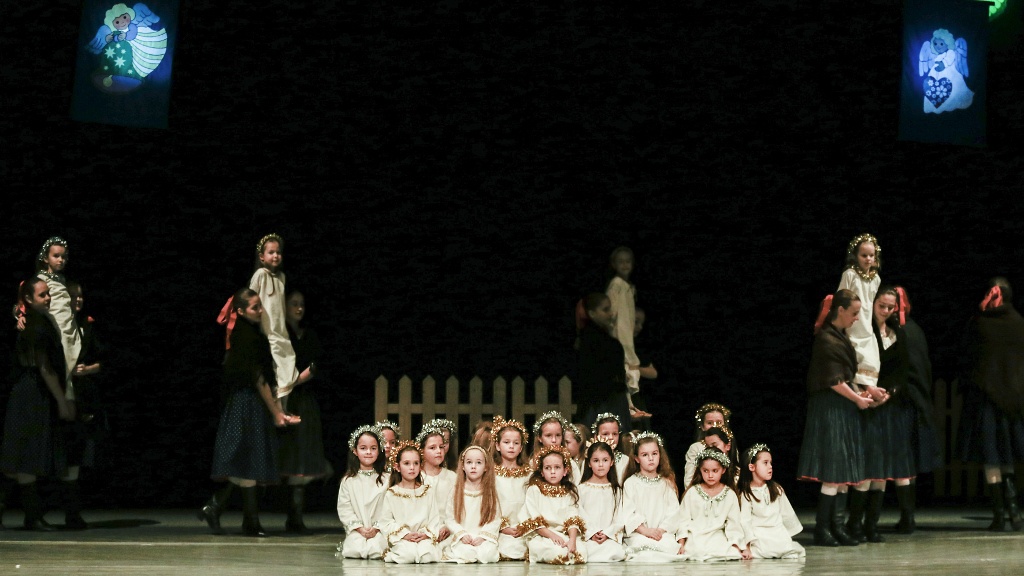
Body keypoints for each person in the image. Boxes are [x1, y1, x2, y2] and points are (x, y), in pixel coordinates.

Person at [203, 289, 297, 537]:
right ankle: (243, 518)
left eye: (260, 305)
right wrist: (276, 412)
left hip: (249, 403)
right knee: (246, 460)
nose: (260, 310)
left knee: (248, 460)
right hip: (246, 403)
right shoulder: (246, 336)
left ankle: (235, 514)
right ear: (241, 311)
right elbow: (258, 378)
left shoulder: (248, 333)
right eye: (255, 307)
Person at [796, 289, 877, 547]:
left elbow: (846, 377)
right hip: (830, 407)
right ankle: (823, 528)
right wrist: (857, 399)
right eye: (854, 313)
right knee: (833, 469)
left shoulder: (840, 336)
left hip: (842, 406)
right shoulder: (826, 339)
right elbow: (834, 381)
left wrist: (862, 393)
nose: (856, 318)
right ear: (840, 310)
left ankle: (837, 526)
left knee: (841, 471)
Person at [1, 278, 74, 530]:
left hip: (29, 390)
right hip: (31, 392)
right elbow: (44, 367)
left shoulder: (35, 320)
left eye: (48, 293)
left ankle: (28, 514)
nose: (48, 298)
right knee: (27, 454)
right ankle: (32, 516)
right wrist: (61, 401)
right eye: (42, 295)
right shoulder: (34, 323)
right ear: (29, 299)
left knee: (23, 455)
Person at [848, 286, 916, 543]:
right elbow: (855, 366)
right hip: (867, 401)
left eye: (890, 307)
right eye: (882, 306)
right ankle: (855, 523)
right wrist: (869, 391)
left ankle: (871, 524)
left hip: (888, 405)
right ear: (873, 304)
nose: (886, 311)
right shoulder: (863, 332)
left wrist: (890, 393)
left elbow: (903, 369)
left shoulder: (897, 332)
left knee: (882, 468)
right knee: (868, 466)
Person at [957, 278, 1024, 531]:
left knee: (991, 456)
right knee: (1006, 455)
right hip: (1013, 402)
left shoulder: (979, 323)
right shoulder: (1019, 323)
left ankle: (999, 514)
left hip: (985, 399)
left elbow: (967, 358)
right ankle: (1013, 510)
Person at [278, 288, 331, 533]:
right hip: (283, 399)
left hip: (304, 400)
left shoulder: (308, 334)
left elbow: (317, 364)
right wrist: (291, 383)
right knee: (284, 454)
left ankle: (296, 516)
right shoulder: (280, 335)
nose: (299, 308)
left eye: (302, 304)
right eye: (294, 304)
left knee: (303, 454)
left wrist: (298, 380)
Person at [892, 286, 940, 533]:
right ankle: (907, 515)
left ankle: (907, 516)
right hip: (917, 400)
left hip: (902, 402)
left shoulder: (897, 331)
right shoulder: (916, 329)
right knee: (908, 459)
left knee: (903, 459)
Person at [249, 234, 300, 408]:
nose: (276, 256)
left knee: (288, 365)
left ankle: (283, 407)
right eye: (271, 252)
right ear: (262, 257)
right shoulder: (260, 275)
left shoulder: (282, 277)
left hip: (280, 332)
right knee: (274, 369)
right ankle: (278, 409)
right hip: (267, 331)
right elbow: (250, 297)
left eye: (278, 252)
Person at [375, 440, 442, 563]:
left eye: (416, 463)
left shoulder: (427, 491)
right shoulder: (392, 493)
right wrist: (405, 534)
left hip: (423, 537)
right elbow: (386, 521)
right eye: (407, 463)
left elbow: (434, 518)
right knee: (407, 555)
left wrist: (425, 534)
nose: (412, 468)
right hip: (401, 538)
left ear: (420, 466)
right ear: (397, 467)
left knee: (427, 555)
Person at [517, 445, 586, 564]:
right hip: (542, 535)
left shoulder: (569, 492)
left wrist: (572, 540)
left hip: (563, 534)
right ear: (542, 472)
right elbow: (534, 520)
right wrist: (552, 536)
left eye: (557, 467)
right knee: (556, 552)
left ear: (565, 471)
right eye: (547, 468)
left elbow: (573, 517)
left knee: (581, 552)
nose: (552, 472)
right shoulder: (534, 490)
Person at [674, 448, 745, 561]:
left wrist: (736, 545)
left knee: (729, 553)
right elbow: (683, 520)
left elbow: (733, 524)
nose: (710, 475)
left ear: (723, 470)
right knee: (696, 551)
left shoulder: (730, 494)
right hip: (695, 538)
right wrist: (681, 544)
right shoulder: (692, 492)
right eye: (705, 471)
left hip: (718, 537)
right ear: (700, 470)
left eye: (715, 471)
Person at [622, 432, 682, 563]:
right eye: (645, 455)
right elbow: (628, 512)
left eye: (654, 453)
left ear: (660, 455)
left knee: (667, 546)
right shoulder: (631, 483)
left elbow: (673, 512)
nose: (651, 458)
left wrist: (660, 531)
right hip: (639, 534)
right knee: (641, 547)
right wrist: (645, 531)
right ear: (636, 458)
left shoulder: (667, 483)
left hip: (662, 534)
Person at [578, 440, 642, 562]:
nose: (601, 465)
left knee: (615, 551)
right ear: (589, 463)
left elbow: (620, 517)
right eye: (596, 461)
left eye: (605, 460)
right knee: (584, 550)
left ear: (612, 462)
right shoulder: (581, 489)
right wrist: (592, 533)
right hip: (588, 538)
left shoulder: (617, 491)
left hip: (608, 539)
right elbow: (579, 514)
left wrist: (607, 534)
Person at [738, 444, 805, 559]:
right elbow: (745, 520)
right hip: (760, 535)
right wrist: (747, 545)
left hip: (777, 532)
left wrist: (788, 535)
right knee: (763, 551)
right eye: (765, 463)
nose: (770, 467)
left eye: (770, 463)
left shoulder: (776, 489)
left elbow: (786, 512)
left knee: (788, 550)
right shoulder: (747, 493)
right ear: (752, 467)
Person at [576, 293, 631, 430]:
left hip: (609, 400)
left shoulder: (603, 338)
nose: (610, 314)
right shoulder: (591, 341)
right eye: (605, 310)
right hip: (601, 402)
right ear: (592, 313)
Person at [604, 247, 646, 421]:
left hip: (626, 334)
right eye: (620, 261)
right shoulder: (616, 285)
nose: (625, 265)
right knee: (624, 368)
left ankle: (630, 406)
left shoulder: (628, 286)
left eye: (628, 261)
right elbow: (611, 310)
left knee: (628, 368)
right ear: (614, 264)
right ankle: (627, 407)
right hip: (619, 334)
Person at [838, 233, 883, 389]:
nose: (868, 259)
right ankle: (858, 389)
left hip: (866, 324)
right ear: (855, 256)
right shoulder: (850, 274)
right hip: (852, 322)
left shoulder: (876, 279)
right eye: (864, 255)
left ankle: (869, 388)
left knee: (871, 357)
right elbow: (841, 298)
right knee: (854, 355)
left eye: (871, 255)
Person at [443, 445, 501, 563]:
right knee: (466, 552)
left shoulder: (490, 492)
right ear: (463, 466)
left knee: (488, 554)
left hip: (482, 538)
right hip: (463, 538)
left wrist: (483, 537)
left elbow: (495, 519)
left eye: (478, 463)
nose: (473, 466)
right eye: (469, 462)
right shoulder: (456, 491)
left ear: (486, 467)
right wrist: (462, 534)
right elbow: (450, 518)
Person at [336, 425, 387, 559]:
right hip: (358, 530)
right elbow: (345, 508)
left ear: (379, 450)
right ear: (355, 450)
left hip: (380, 529)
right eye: (363, 448)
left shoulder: (387, 479)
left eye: (373, 448)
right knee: (354, 549)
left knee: (378, 548)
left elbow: (390, 507)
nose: (368, 452)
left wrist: (376, 528)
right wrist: (359, 528)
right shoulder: (348, 481)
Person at [491, 416, 531, 561]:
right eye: (506, 442)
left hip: (523, 528)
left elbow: (532, 503)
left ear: (521, 448)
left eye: (516, 443)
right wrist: (502, 527)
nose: (511, 446)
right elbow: (489, 504)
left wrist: (524, 526)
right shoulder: (491, 474)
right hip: (499, 529)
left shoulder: (529, 475)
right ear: (497, 445)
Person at [418, 425, 456, 543]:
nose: (439, 451)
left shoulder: (452, 477)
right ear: (422, 451)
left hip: (447, 532)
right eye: (432, 448)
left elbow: (457, 509)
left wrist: (448, 527)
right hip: (421, 532)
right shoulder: (416, 477)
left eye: (441, 447)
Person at [682, 403, 732, 487]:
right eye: (709, 422)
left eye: (719, 422)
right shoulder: (696, 448)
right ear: (702, 426)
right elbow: (689, 479)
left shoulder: (728, 446)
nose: (715, 425)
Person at [591, 413, 631, 485]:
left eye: (615, 434)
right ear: (596, 436)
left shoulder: (625, 460)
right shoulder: (590, 459)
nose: (611, 437)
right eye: (605, 434)